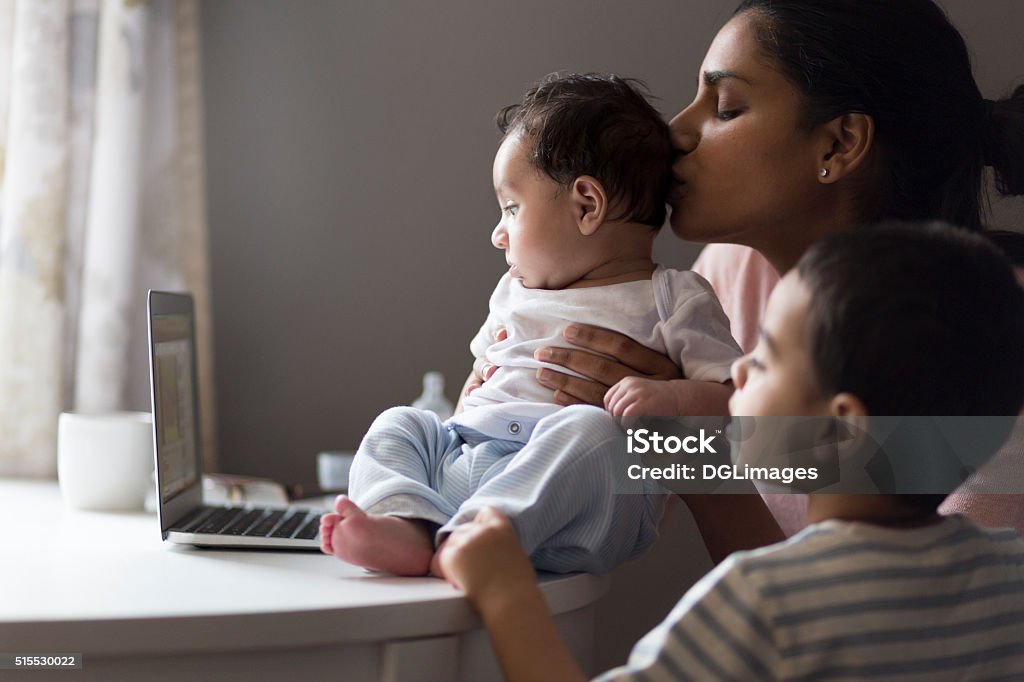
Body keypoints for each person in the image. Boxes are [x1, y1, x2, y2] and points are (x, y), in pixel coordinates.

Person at [464, 0, 1024, 557]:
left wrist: (689, 440)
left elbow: (907, 629)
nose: (676, 131)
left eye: (726, 107)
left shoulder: (995, 328)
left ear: (838, 142)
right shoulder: (732, 275)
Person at [438, 222, 1024, 681]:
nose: (738, 367)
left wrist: (506, 592)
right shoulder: (1008, 575)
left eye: (765, 356)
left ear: (842, 429)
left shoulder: (763, 601)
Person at [319, 73, 741, 577]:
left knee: (594, 431)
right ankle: (407, 523)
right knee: (401, 423)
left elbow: (738, 404)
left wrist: (672, 403)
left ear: (587, 205)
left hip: (573, 497)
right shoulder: (514, 290)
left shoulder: (675, 297)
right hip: (472, 467)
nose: (499, 233)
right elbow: (481, 375)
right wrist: (467, 404)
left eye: (512, 209)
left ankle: (475, 540)